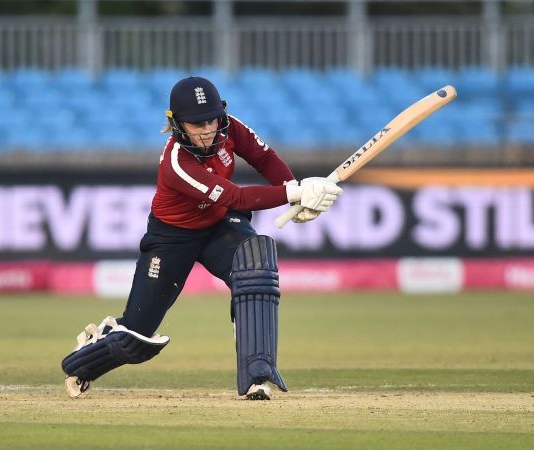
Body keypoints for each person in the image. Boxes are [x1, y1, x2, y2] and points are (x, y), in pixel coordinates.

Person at [60, 76, 343, 400]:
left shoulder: (230, 128)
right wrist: (294, 191)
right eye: (197, 124)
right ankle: (85, 357)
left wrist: (297, 195)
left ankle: (257, 376)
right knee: (137, 336)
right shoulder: (176, 162)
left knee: (255, 265)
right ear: (177, 123)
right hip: (171, 238)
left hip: (219, 224)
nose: (207, 129)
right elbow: (235, 196)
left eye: (211, 119)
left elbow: (264, 159)